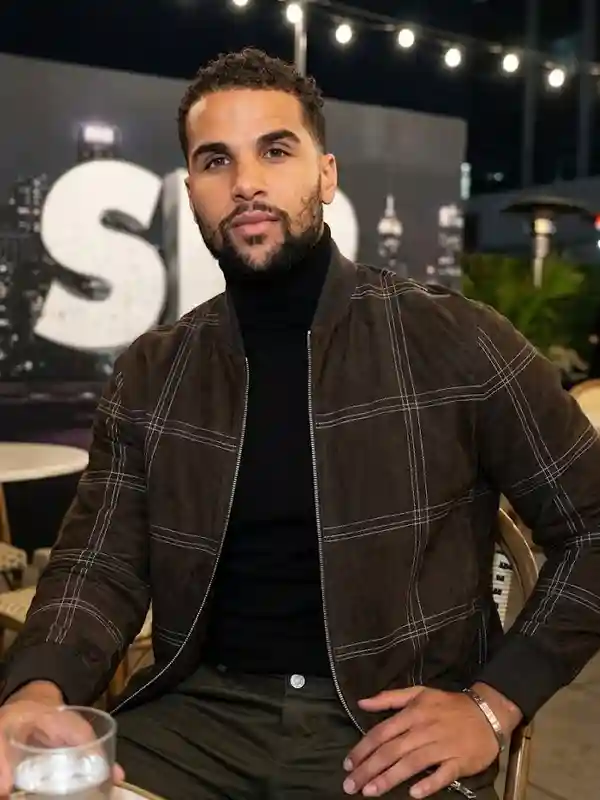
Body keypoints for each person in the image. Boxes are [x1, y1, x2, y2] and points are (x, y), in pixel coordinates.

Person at [1, 48, 600, 800]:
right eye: (216, 160)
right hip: (197, 716)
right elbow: (100, 563)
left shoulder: (456, 340)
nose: (246, 182)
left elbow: (593, 525)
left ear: (326, 174)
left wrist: (493, 704)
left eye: (275, 151)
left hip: (389, 727)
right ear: (191, 193)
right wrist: (39, 692)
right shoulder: (154, 371)